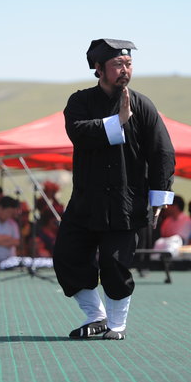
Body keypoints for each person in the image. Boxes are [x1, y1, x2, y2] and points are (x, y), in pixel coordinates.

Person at [53, 38, 175, 340]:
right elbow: (78, 133)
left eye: (128, 64)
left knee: (115, 264)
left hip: (126, 203)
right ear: (98, 69)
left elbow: (162, 151)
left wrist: (159, 196)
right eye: (117, 65)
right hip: (85, 202)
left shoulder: (143, 105)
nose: (125, 70)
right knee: (68, 256)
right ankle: (97, 317)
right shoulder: (79, 102)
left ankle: (116, 325)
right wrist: (117, 122)